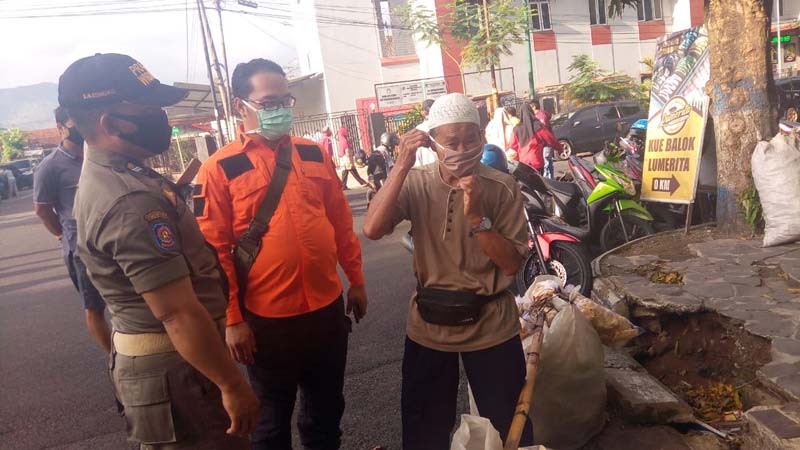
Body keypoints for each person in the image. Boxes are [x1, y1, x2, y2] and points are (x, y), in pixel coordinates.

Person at [63, 53, 259, 449]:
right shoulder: (130, 200)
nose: (162, 118)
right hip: (182, 368)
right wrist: (232, 384)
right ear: (110, 123)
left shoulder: (118, 172)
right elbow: (176, 312)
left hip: (175, 361)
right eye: (150, 109)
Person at [195, 58, 368, 450]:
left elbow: (340, 222)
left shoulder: (311, 153)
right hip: (266, 321)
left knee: (326, 415)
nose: (281, 110)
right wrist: (233, 319)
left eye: (285, 101)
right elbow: (215, 253)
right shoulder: (220, 168)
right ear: (242, 106)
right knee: (271, 425)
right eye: (269, 102)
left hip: (325, 309)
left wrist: (355, 280)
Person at [362, 93, 532, 449]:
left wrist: (478, 219)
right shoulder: (417, 182)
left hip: (491, 325)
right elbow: (373, 229)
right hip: (428, 325)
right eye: (451, 141)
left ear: (483, 137)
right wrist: (401, 164)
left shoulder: (502, 187)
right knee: (424, 427)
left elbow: (511, 264)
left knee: (507, 425)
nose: (462, 148)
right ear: (433, 141)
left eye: (470, 139)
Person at [33, 106, 111, 353]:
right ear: (60, 128)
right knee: (94, 306)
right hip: (81, 250)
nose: (78, 127)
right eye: (72, 124)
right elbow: (42, 209)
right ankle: (115, 360)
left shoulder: (100, 154)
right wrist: (62, 234)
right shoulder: (49, 167)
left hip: (113, 239)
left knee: (129, 300)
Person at [510, 102, 562, 173]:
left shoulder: (516, 129)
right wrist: (559, 149)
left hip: (523, 163)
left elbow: (513, 146)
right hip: (537, 162)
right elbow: (550, 139)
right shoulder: (538, 126)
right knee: (539, 183)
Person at [530, 100, 556, 178]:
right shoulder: (537, 115)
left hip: (546, 142)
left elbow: (542, 129)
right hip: (543, 143)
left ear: (534, 107)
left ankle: (548, 180)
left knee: (546, 162)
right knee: (547, 162)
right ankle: (551, 179)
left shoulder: (540, 115)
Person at [414, 99, 438, 167]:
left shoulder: (418, 129)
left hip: (426, 167)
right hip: (442, 167)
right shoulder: (442, 125)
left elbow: (417, 152)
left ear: (423, 112)